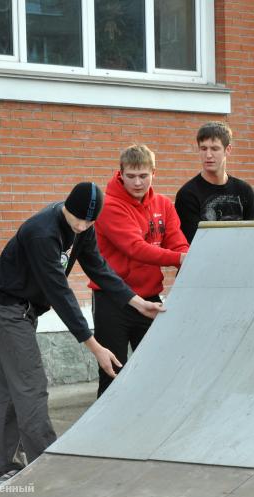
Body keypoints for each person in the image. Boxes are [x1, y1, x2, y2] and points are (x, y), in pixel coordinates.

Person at [0, 182, 164, 485]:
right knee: (31, 384)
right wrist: (95, 346)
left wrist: (136, 301)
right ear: (66, 206)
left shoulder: (84, 228)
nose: (82, 226)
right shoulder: (42, 233)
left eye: (89, 222)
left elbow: (99, 268)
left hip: (26, 309)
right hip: (8, 307)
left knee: (13, 388)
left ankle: (6, 468)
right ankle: (46, 469)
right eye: (78, 218)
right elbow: (60, 294)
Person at [91, 145, 189, 397]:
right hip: (114, 301)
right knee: (113, 374)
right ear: (120, 173)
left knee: (156, 372)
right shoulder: (109, 205)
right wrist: (180, 258)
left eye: (143, 176)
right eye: (131, 175)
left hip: (150, 300)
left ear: (154, 173)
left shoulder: (163, 205)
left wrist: (188, 258)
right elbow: (135, 248)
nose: (137, 182)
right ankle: (108, 432)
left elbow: (177, 243)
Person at [175, 121, 254, 242]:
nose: (208, 155)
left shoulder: (245, 191)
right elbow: (193, 245)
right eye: (203, 148)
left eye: (214, 149)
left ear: (228, 149)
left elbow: (252, 237)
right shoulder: (187, 195)